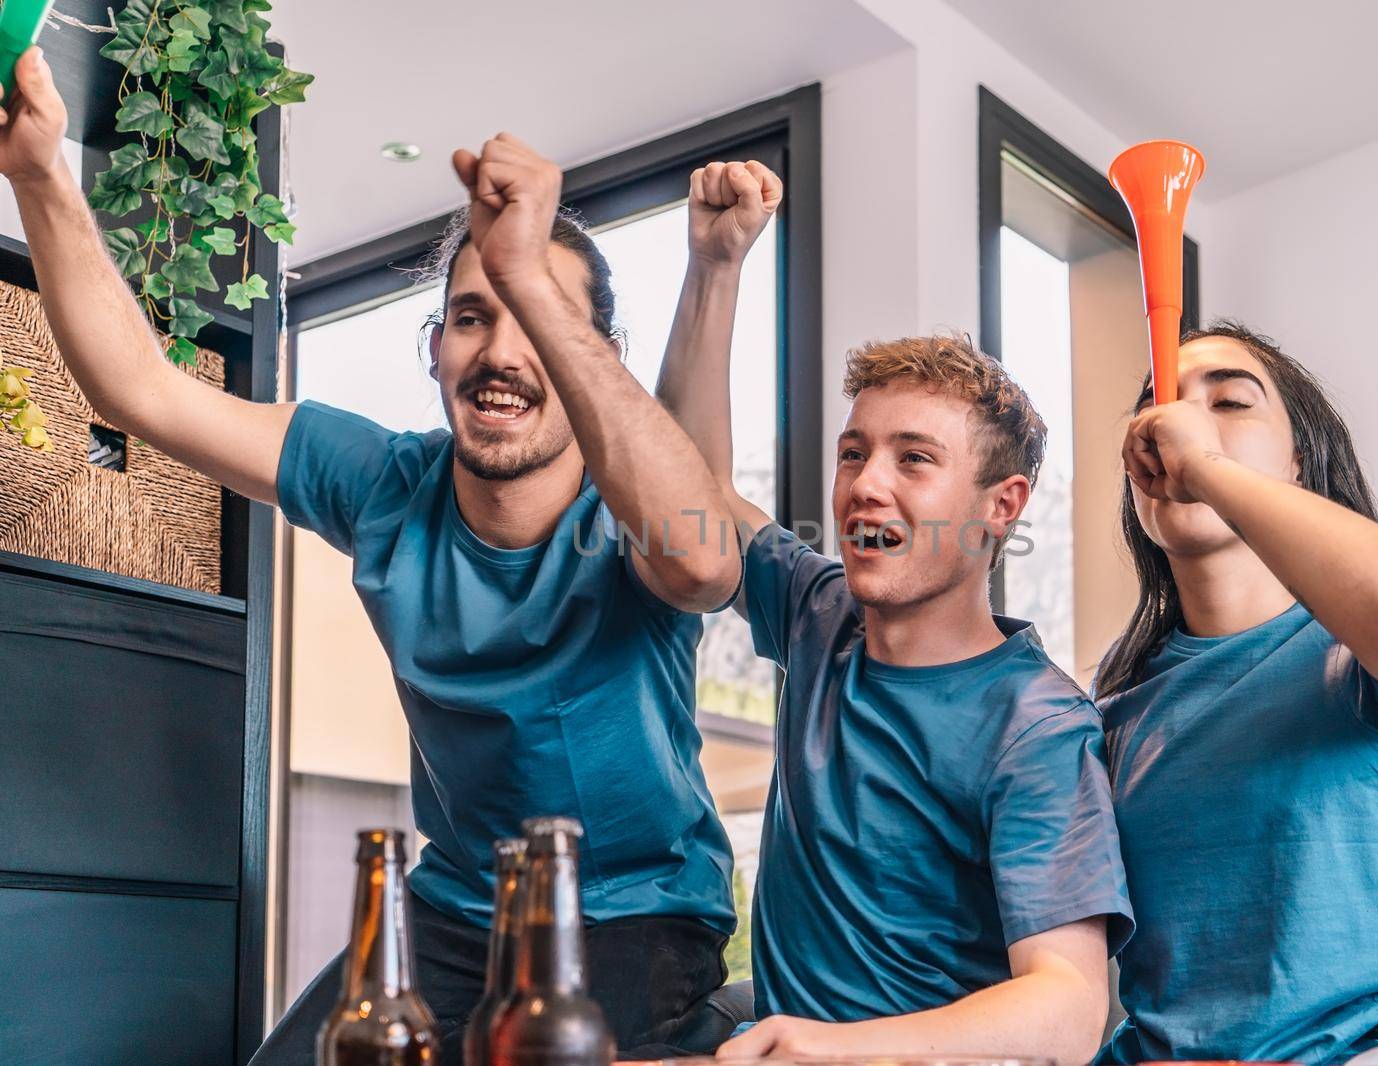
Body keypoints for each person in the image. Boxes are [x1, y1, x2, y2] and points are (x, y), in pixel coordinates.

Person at [0, 47, 743, 1063]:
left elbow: (703, 565)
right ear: (436, 348)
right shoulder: (385, 481)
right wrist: (40, 170)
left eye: (537, 319)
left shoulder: (633, 506)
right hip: (454, 906)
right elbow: (142, 391)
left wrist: (691, 269)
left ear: (588, 358)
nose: (500, 350)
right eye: (472, 317)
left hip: (634, 914)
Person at [657, 160, 1133, 1065]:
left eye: (914, 459)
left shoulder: (1036, 727)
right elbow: (691, 498)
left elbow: (1069, 1009)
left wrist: (838, 1049)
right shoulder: (819, 609)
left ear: (1003, 505)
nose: (864, 485)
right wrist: (714, 269)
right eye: (853, 452)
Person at [1093, 322, 1378, 1065]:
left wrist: (1206, 466)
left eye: (1231, 404)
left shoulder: (1360, 655)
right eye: (1159, 411)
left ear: (1299, 463)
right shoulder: (1115, 711)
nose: (1172, 428)